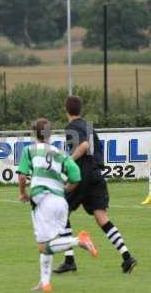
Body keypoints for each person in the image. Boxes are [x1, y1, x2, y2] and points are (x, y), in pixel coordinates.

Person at [53, 96, 137, 274]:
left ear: (66, 110)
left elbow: (83, 146)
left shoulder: (72, 127)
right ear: (80, 110)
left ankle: (69, 260)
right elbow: (94, 148)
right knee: (102, 218)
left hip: (83, 177)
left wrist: (67, 160)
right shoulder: (89, 126)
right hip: (96, 176)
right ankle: (127, 256)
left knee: (61, 211)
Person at [17, 118, 98, 292]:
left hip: (43, 200)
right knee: (48, 243)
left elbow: (22, 176)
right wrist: (65, 189)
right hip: (60, 202)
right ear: (50, 134)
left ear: (34, 134)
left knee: (44, 246)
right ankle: (44, 282)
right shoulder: (59, 153)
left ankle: (80, 240)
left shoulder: (29, 150)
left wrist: (22, 193)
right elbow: (76, 175)